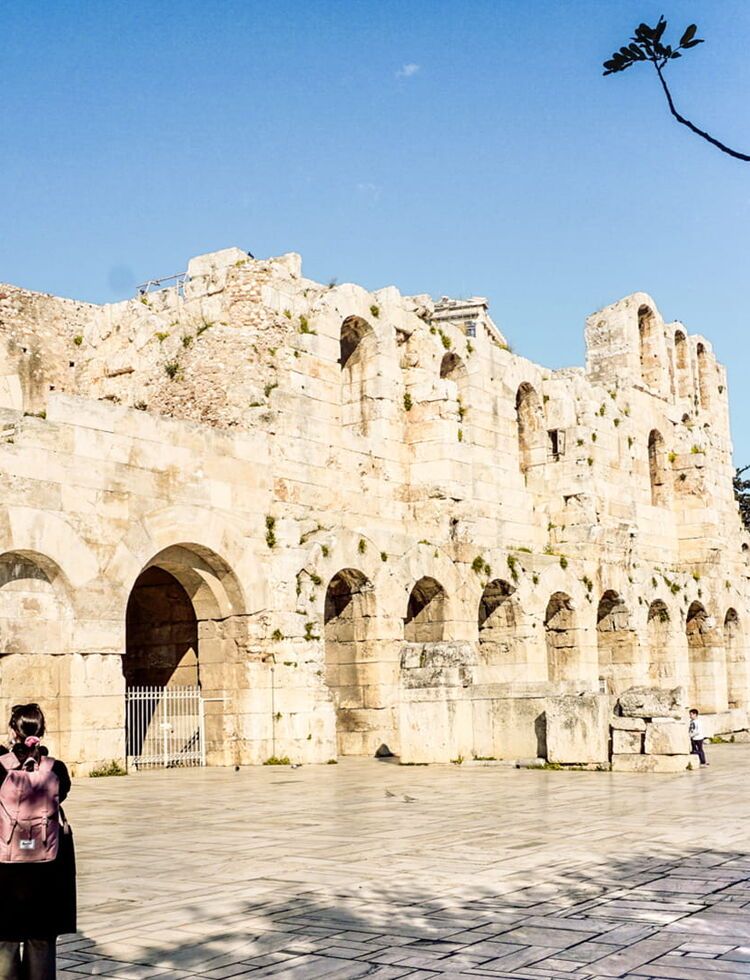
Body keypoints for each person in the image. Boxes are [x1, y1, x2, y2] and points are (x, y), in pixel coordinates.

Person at [0, 704, 76, 980]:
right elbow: (62, 795)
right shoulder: (57, 770)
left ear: (12, 732)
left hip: (5, 870)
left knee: (5, 942)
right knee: (41, 941)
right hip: (45, 869)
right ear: (42, 732)